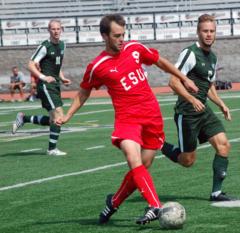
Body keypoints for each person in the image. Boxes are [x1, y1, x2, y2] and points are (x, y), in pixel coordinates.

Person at [55, 14, 198, 225]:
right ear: (104, 36)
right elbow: (84, 92)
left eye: (123, 34)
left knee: (142, 167)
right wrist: (68, 114)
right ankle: (155, 206)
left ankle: (113, 202)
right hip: (127, 119)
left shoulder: (135, 48)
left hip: (151, 115)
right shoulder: (98, 66)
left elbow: (160, 61)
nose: (121, 39)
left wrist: (184, 78)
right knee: (134, 159)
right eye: (116, 36)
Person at [161, 14, 234, 202]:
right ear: (198, 32)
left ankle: (216, 192)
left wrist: (221, 104)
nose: (209, 34)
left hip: (203, 110)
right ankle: (160, 144)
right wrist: (190, 99)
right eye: (205, 31)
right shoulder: (190, 53)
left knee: (224, 145)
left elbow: (209, 86)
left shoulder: (213, 57)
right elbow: (173, 82)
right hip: (187, 113)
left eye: (212, 31)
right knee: (188, 161)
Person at [12, 19, 71, 156]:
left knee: (53, 120)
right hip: (46, 85)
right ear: (49, 30)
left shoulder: (63, 45)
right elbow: (31, 64)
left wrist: (62, 77)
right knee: (59, 116)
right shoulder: (45, 46)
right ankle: (51, 149)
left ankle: (23, 118)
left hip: (55, 85)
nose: (56, 31)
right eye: (53, 29)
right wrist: (43, 77)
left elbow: (57, 65)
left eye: (58, 29)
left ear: (61, 30)